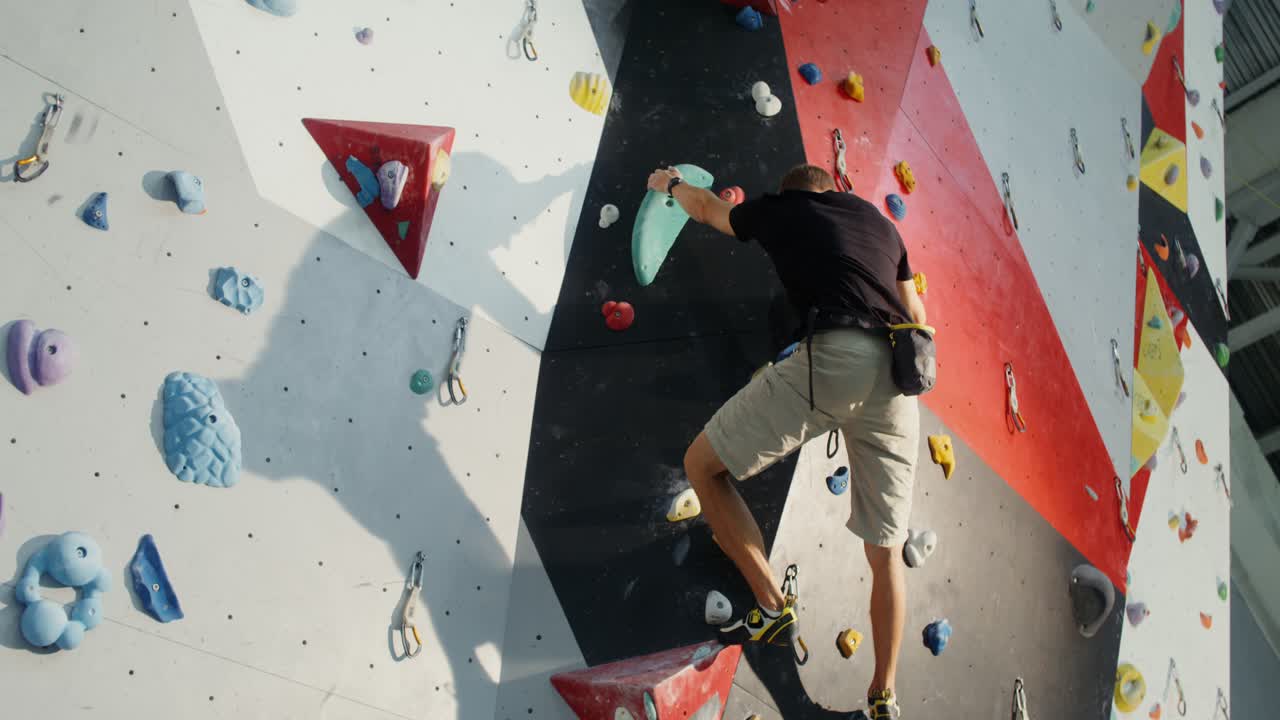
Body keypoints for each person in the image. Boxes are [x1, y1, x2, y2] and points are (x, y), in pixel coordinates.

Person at [646, 163, 926, 720]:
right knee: (886, 551)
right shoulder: (883, 227)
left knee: (702, 467)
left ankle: (773, 607)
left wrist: (669, 185)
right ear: (834, 189)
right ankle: (884, 696)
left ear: (792, 192)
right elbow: (917, 314)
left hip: (838, 357)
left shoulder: (788, 209)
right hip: (899, 384)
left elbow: (710, 210)